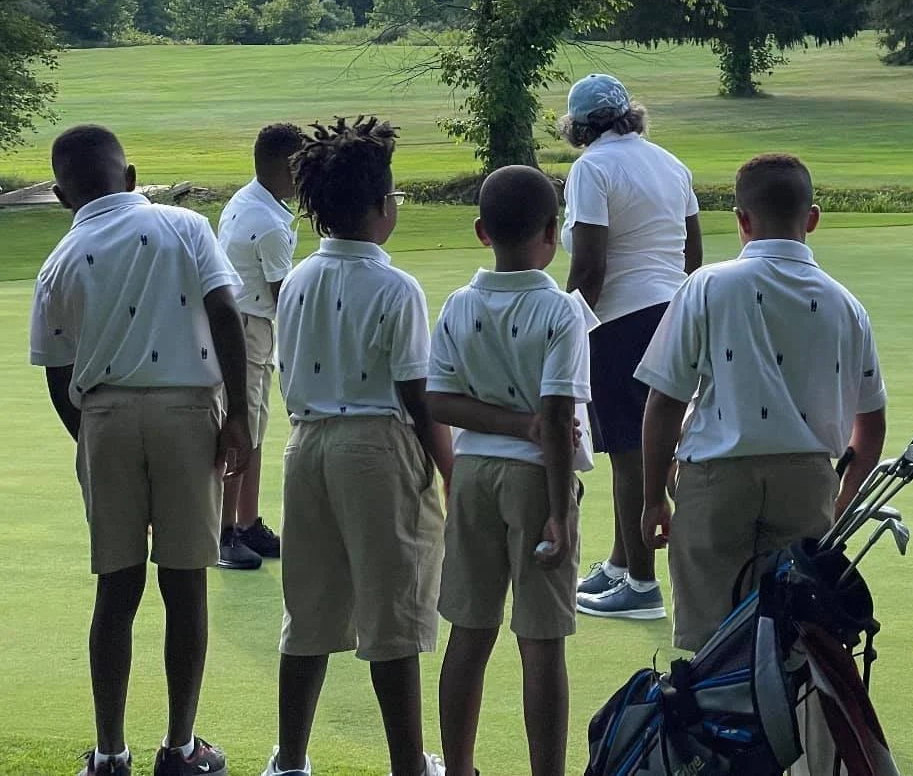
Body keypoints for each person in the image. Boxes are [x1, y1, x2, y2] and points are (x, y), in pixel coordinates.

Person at [29, 125, 252, 776]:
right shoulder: (185, 225)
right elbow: (225, 314)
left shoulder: (59, 260)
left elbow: (57, 374)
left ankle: (109, 754)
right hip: (187, 412)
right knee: (185, 584)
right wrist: (239, 414)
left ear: (61, 195)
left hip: (104, 416)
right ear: (130, 178)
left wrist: (94, 440)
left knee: (117, 589)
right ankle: (180, 750)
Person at [260, 116, 452, 776]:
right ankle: (407, 764)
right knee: (392, 613)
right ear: (379, 205)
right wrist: (449, 470)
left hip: (307, 446)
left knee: (308, 611)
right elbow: (417, 394)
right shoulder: (396, 286)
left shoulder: (299, 279)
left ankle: (290, 760)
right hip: (377, 448)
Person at [639, 153, 888, 655]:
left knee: (711, 644)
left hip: (717, 478)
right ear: (812, 218)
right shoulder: (847, 305)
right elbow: (872, 423)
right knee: (793, 639)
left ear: (742, 220)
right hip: (807, 481)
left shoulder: (707, 285)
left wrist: (651, 499)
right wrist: (842, 499)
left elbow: (664, 401)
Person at [427, 165, 591, 776]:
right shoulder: (562, 311)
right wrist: (561, 510)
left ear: (482, 231)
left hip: (472, 473)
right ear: (552, 232)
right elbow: (556, 413)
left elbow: (439, 401)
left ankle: (460, 768)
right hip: (535, 480)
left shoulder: (459, 304)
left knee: (468, 632)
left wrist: (514, 425)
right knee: (541, 641)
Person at [560, 73, 702, 621]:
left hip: (619, 319)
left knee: (628, 451)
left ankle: (642, 585)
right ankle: (622, 562)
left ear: (578, 127)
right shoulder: (670, 163)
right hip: (673, 311)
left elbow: (589, 267)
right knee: (646, 443)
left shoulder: (591, 168)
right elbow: (692, 255)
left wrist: (565, 328)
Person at [217, 122, 304, 569]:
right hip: (248, 328)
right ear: (289, 168)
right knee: (243, 430)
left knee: (255, 427)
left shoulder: (247, 199)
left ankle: (247, 522)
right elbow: (283, 297)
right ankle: (224, 531)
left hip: (245, 324)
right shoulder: (269, 224)